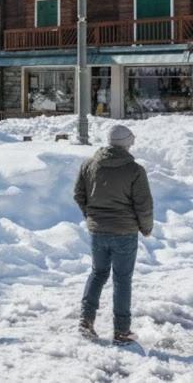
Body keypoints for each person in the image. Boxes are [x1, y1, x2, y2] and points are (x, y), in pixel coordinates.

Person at [74, 124, 154, 345]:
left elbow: (79, 194)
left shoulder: (89, 164)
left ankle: (86, 321)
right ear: (127, 142)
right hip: (124, 232)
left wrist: (92, 216)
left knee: (98, 273)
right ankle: (121, 331)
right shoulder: (135, 170)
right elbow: (144, 205)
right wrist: (146, 228)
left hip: (98, 231)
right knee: (122, 279)